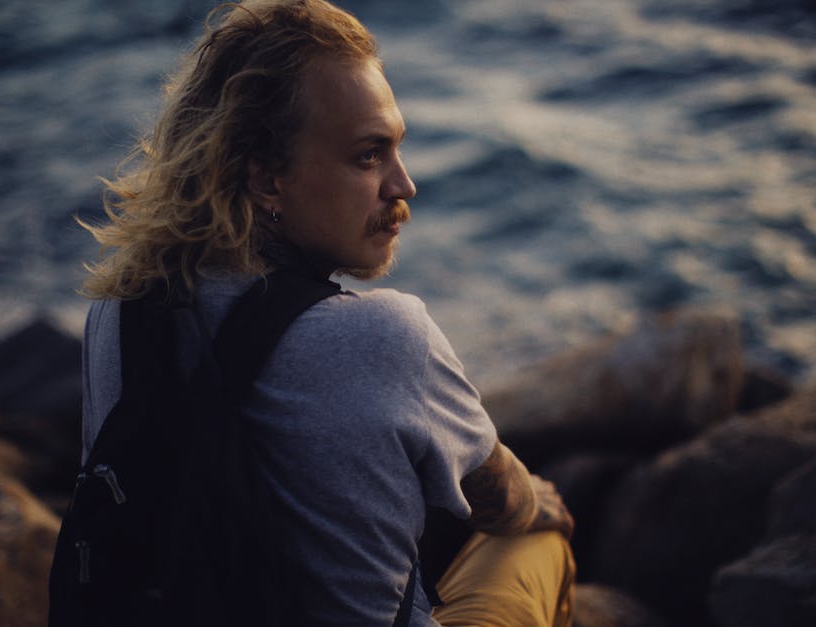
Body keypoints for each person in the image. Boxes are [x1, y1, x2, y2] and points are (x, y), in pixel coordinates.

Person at [77, 0, 576, 624]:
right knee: (535, 538)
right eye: (370, 155)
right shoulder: (387, 335)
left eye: (396, 150)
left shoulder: (115, 313)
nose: (403, 185)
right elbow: (500, 495)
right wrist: (543, 506)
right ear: (265, 179)